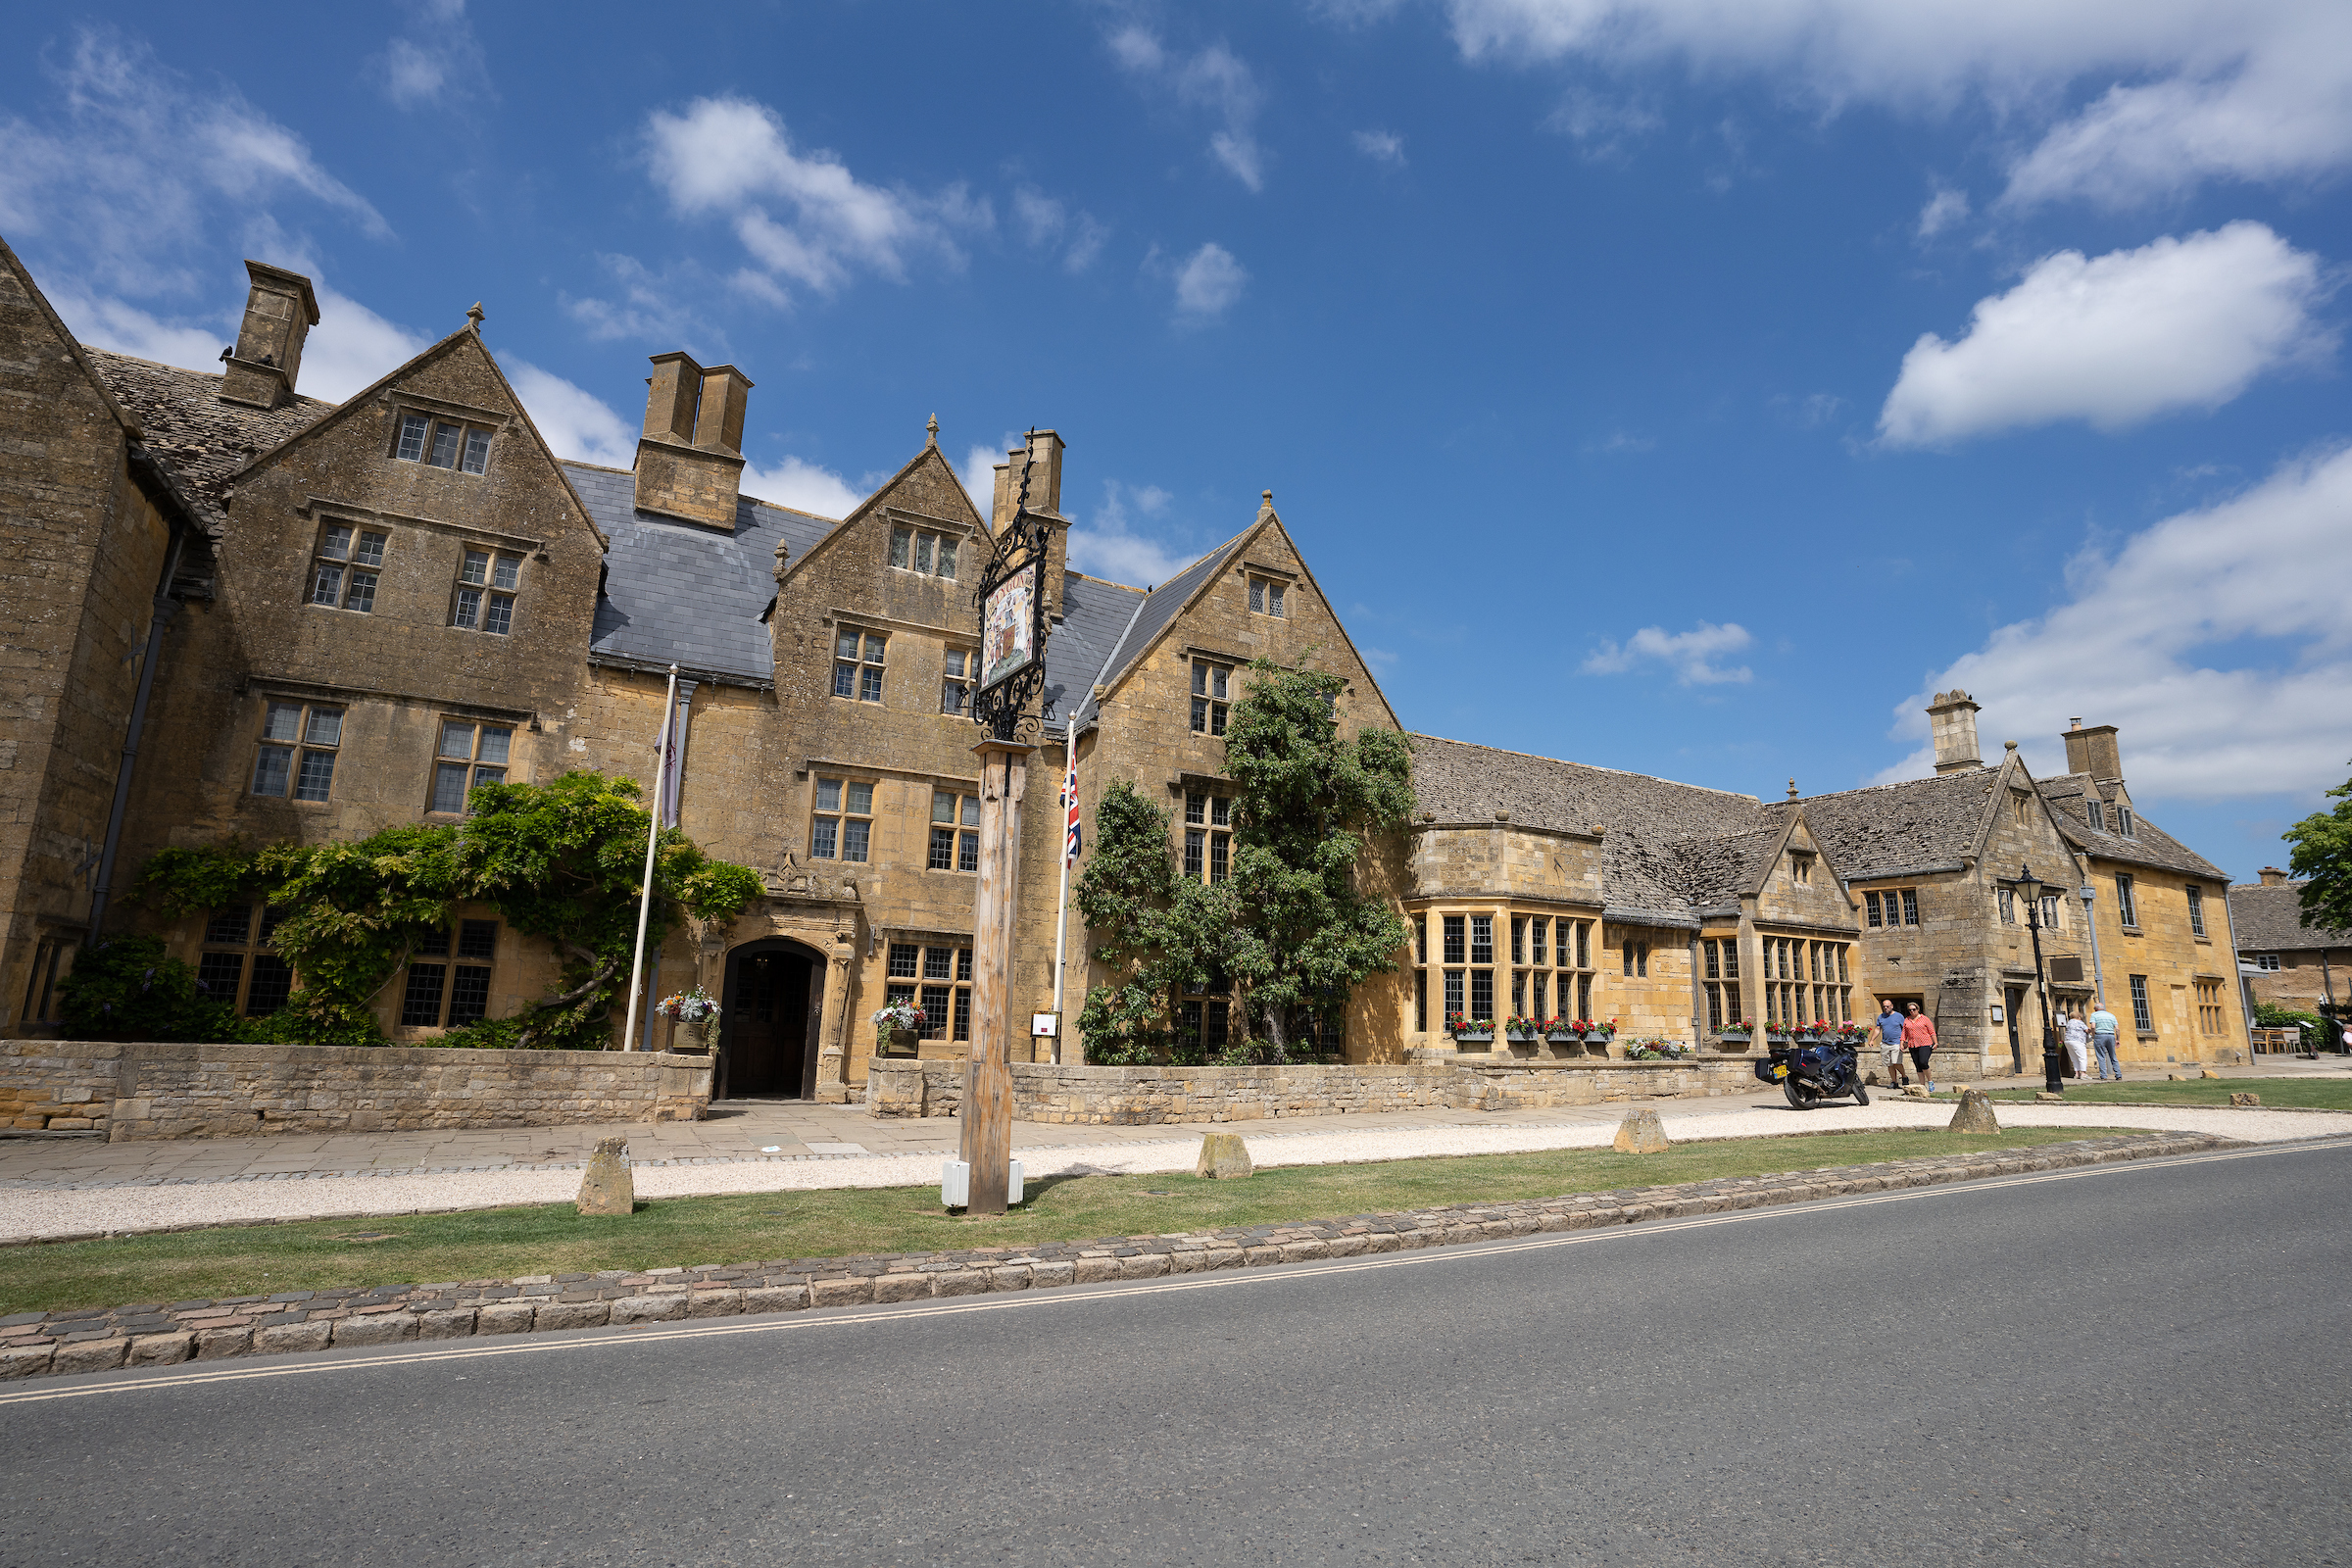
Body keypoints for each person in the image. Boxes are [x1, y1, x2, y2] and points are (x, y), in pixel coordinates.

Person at [1901, 1002, 1938, 1095]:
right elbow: (1904, 1033)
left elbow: (1932, 1031)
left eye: (1914, 1009)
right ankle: (1922, 1085)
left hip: (1925, 1043)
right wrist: (1902, 1043)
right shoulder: (1907, 1020)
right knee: (1918, 1065)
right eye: (1910, 1010)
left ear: (1918, 1009)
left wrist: (1936, 1042)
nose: (1912, 1011)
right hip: (1912, 1045)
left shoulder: (1925, 1019)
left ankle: (1930, 1081)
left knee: (1923, 1062)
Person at [2088, 1001, 2123, 1081]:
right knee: (2113, 1056)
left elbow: (2093, 1027)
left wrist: (2093, 1035)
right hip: (2111, 1035)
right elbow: (2117, 1029)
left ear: (2096, 1008)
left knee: (2101, 1056)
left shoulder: (2094, 1015)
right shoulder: (2111, 1015)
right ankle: (2118, 1075)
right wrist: (2118, 1039)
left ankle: (2104, 1076)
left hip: (2100, 1035)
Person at [1877, 1000, 1907, 1086]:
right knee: (1889, 1064)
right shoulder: (1881, 1017)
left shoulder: (1899, 1016)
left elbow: (1905, 1029)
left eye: (1888, 1006)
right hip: (1885, 1043)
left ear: (1892, 1006)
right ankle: (1894, 1082)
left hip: (1896, 1043)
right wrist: (1872, 1040)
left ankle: (1904, 1076)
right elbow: (1877, 1029)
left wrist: (1905, 1041)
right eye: (1884, 1006)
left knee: (1896, 1062)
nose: (1886, 1008)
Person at [2060, 1006, 2090, 1079]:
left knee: (2074, 1058)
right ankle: (2083, 1074)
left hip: (2068, 1041)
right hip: (2078, 1041)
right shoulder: (2080, 1022)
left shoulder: (2069, 1023)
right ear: (2079, 1017)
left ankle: (2077, 1074)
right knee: (2082, 1057)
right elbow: (2087, 1030)